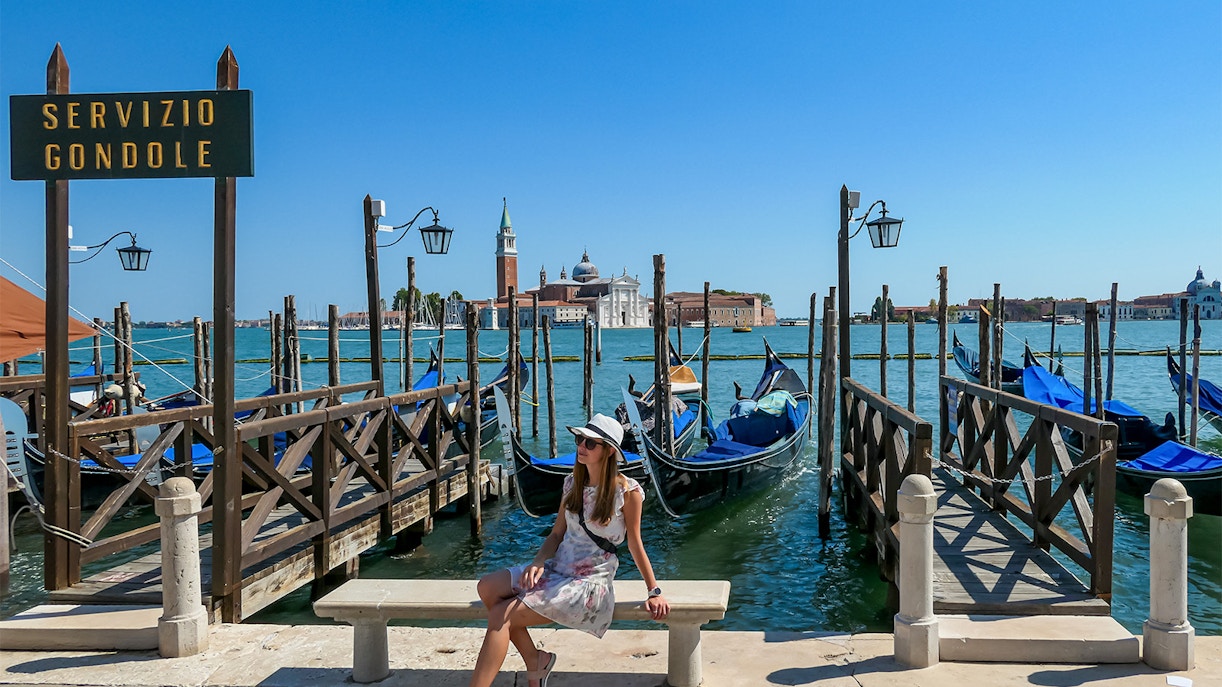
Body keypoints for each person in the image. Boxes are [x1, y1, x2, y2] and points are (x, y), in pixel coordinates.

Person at [469, 414, 669, 687]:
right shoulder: (571, 484)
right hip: (557, 570)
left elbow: (635, 543)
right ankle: (535, 661)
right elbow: (556, 533)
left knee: (499, 615)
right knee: (487, 587)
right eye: (579, 439)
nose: (581, 446)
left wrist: (653, 591)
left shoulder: (628, 492)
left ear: (609, 451)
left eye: (590, 443)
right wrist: (538, 561)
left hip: (588, 583)